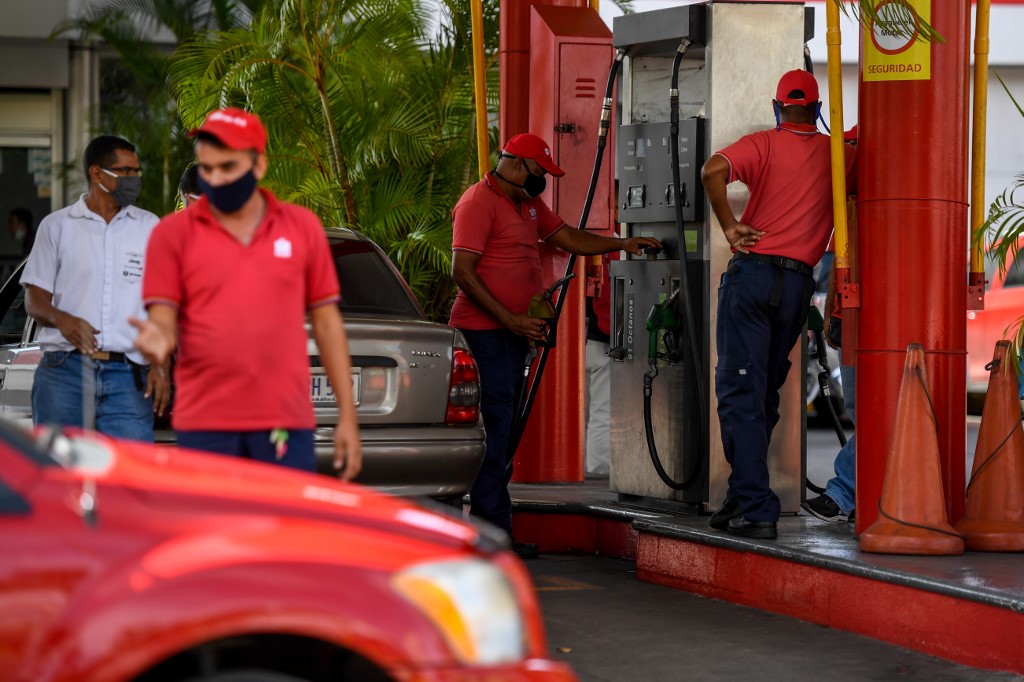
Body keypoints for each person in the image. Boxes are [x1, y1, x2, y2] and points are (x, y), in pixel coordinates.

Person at [449, 132, 661, 550]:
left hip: (512, 336)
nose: (541, 180)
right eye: (538, 171)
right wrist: (509, 319)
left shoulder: (528, 204)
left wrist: (621, 243)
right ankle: (493, 537)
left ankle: (494, 532)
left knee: (506, 433)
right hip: (484, 334)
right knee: (493, 434)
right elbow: (462, 271)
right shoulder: (478, 203)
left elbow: (568, 238)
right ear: (512, 164)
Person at [131, 108, 361, 479]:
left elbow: (327, 324)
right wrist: (157, 339)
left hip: (284, 420)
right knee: (215, 534)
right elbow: (162, 315)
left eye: (227, 167)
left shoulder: (300, 228)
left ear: (258, 165)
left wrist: (347, 418)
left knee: (279, 533)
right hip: (205, 422)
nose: (215, 179)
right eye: (207, 169)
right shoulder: (171, 235)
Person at [701, 71, 855, 539]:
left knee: (738, 393)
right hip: (796, 287)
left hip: (753, 277)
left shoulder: (763, 143)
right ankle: (741, 496)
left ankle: (757, 507)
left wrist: (729, 225)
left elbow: (712, 170)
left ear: (777, 106)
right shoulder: (839, 154)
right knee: (762, 394)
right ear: (816, 106)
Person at [21, 135, 169, 440]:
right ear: (96, 173)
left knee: (129, 479)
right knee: (59, 475)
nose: (133, 179)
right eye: (125, 171)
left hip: (128, 377)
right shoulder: (57, 226)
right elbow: (34, 301)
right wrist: (63, 320)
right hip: (64, 372)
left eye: (136, 172)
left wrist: (161, 364)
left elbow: (162, 306)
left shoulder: (150, 227)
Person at [804, 126, 859, 523]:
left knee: (876, 412)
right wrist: (831, 318)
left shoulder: (883, 207)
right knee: (858, 408)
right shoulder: (846, 210)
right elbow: (838, 269)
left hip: (879, 324)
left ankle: (844, 492)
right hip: (854, 320)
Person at [585, 253, 614, 476]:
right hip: (604, 340)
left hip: (580, 339)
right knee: (603, 413)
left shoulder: (585, 243)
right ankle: (598, 471)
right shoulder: (612, 244)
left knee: (587, 412)